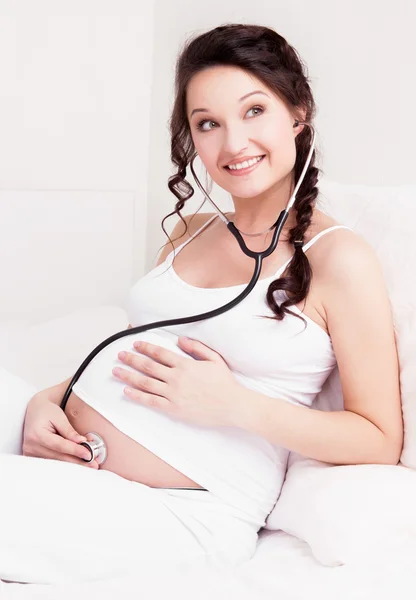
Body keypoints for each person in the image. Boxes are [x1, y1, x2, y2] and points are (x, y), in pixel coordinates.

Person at [0, 23, 403, 585]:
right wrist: (50, 400)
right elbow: (139, 356)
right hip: (71, 448)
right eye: (208, 124)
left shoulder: (340, 260)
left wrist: (233, 404)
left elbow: (379, 437)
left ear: (298, 112)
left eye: (254, 111)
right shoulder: (186, 232)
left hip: (189, 508)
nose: (233, 144)